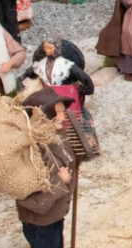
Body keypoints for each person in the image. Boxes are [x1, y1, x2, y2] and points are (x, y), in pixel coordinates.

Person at [16, 88, 77, 248]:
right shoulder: (30, 153)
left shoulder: (56, 135)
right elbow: (35, 202)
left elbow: (68, 158)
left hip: (54, 216)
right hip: (41, 223)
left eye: (62, 112)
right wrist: (62, 183)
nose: (62, 117)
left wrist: (85, 149)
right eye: (56, 115)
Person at [21, 37, 95, 115]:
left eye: (50, 48)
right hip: (47, 94)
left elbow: (85, 78)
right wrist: (21, 81)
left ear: (56, 49)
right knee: (32, 105)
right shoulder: (42, 63)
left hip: (65, 94)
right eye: (45, 48)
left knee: (69, 113)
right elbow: (29, 72)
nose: (47, 50)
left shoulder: (66, 64)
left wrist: (82, 89)